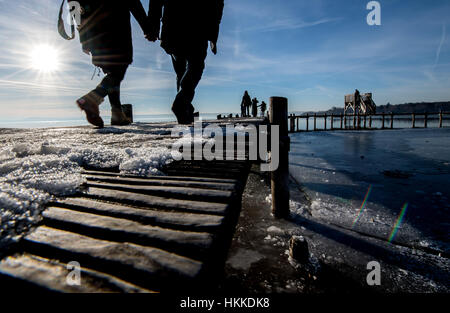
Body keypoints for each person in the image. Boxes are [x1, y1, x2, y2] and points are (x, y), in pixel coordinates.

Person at [147, 0, 224, 124]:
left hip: (172, 27)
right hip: (196, 27)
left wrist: (153, 25)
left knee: (182, 70)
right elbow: (217, 4)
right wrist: (213, 35)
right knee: (195, 66)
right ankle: (181, 104)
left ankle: (186, 109)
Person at [75, 1, 149, 128]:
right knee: (118, 69)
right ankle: (92, 99)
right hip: (116, 26)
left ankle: (117, 114)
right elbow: (134, 3)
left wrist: (83, 38)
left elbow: (75, 7)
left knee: (113, 72)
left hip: (94, 32)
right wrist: (148, 27)